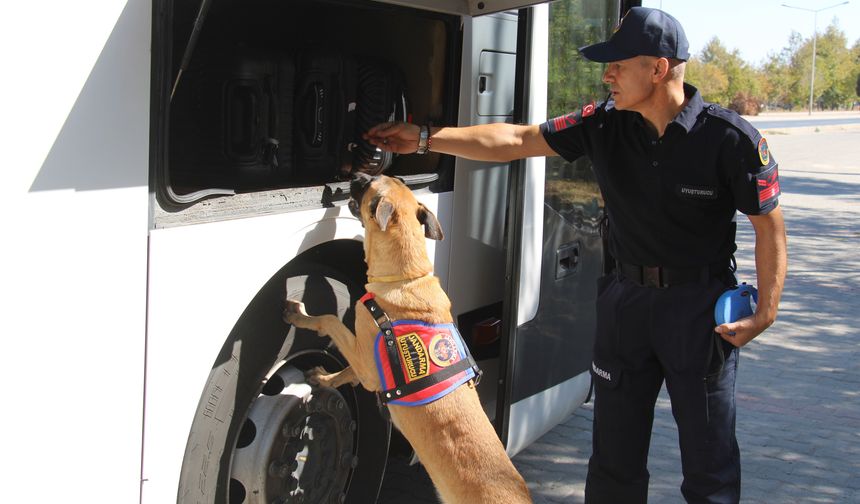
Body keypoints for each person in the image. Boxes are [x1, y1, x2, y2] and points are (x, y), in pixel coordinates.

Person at [364, 6, 786, 504]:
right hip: (625, 304)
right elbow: (517, 140)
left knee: (709, 464)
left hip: (697, 310)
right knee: (613, 461)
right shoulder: (603, 124)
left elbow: (769, 226)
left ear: (658, 68)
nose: (606, 74)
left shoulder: (729, 140)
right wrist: (427, 138)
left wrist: (766, 311)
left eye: (618, 63)